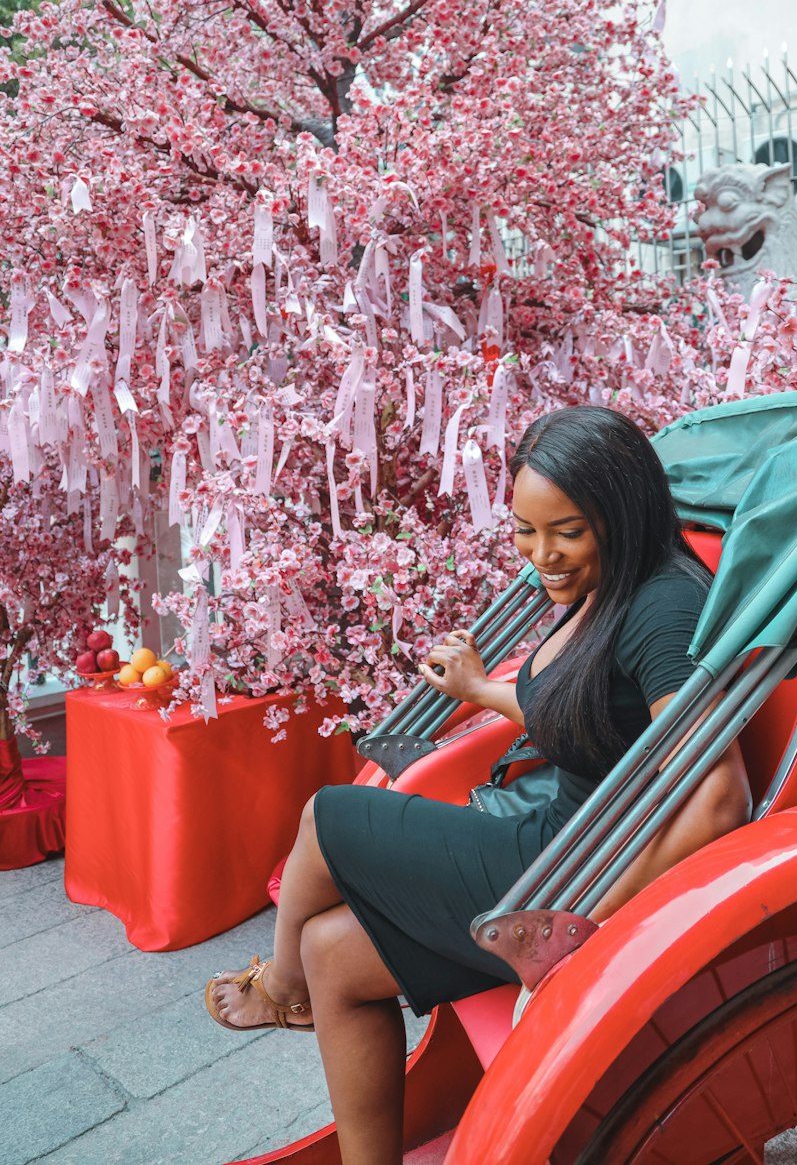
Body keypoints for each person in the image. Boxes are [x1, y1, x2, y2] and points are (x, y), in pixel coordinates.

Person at [205, 405, 751, 1165]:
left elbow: (723, 794)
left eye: (568, 531)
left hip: (570, 875)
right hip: (554, 847)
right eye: (527, 531)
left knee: (329, 814)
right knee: (336, 951)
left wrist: (583, 919)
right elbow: (585, 703)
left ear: (622, 515)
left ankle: (281, 988)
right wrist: (478, 687)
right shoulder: (607, 583)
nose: (543, 556)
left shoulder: (660, 608)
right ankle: (314, 1003)